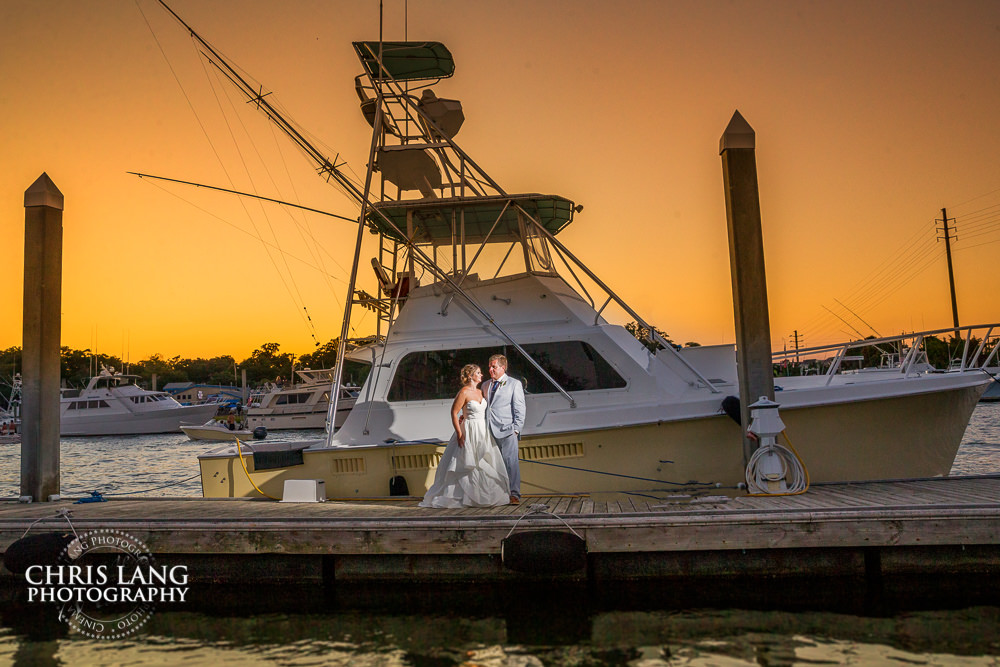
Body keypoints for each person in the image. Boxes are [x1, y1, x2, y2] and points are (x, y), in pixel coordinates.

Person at [419, 364, 511, 508]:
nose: (481, 375)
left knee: (484, 461)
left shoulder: (481, 391)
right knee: (466, 462)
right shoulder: (464, 392)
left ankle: (482, 494)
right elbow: (454, 413)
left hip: (482, 430)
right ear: (470, 376)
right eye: (478, 373)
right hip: (468, 430)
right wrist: (459, 433)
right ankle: (462, 496)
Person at [482, 354, 525, 504]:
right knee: (494, 464)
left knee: (511, 463)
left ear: (503, 367)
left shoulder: (514, 384)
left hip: (508, 430)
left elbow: (520, 408)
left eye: (494, 367)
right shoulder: (485, 385)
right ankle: (499, 494)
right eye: (489, 367)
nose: (490, 370)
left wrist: (516, 429)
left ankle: (514, 494)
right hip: (489, 431)